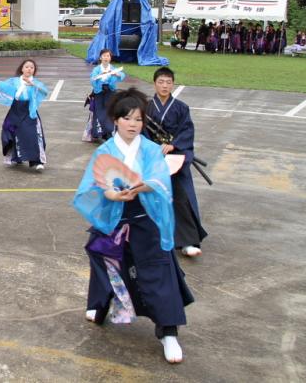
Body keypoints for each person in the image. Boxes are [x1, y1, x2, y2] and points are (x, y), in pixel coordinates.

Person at [73, 87, 193, 364]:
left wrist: (144, 186)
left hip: (145, 217)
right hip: (115, 217)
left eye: (138, 119)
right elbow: (94, 185)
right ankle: (101, 307)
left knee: (157, 271)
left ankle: (168, 331)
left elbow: (161, 179)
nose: (133, 125)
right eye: (127, 118)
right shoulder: (105, 150)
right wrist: (113, 194)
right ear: (116, 119)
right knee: (107, 264)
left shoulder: (150, 150)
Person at [145, 68, 207, 257]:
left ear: (173, 84)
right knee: (149, 197)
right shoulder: (146, 107)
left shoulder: (181, 107)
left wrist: (173, 145)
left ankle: (187, 241)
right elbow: (141, 133)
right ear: (154, 83)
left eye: (168, 82)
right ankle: (151, 239)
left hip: (176, 158)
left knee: (182, 198)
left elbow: (187, 132)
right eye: (161, 82)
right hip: (153, 159)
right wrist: (153, 149)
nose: (164, 86)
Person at [0, 59, 50, 170]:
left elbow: (44, 92)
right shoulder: (14, 81)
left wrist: (33, 85)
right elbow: (3, 87)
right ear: (22, 69)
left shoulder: (35, 82)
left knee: (32, 135)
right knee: (9, 131)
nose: (29, 69)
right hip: (15, 109)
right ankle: (14, 157)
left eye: (32, 67)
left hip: (29, 111)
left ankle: (37, 162)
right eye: (27, 67)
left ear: (34, 70)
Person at [88, 49, 125, 141]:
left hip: (110, 92)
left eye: (108, 56)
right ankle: (100, 133)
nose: (106, 58)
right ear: (100, 58)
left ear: (110, 58)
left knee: (110, 112)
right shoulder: (96, 69)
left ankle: (109, 132)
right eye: (104, 56)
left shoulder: (112, 68)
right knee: (100, 112)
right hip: (99, 92)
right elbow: (92, 79)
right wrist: (99, 76)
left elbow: (122, 75)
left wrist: (117, 75)